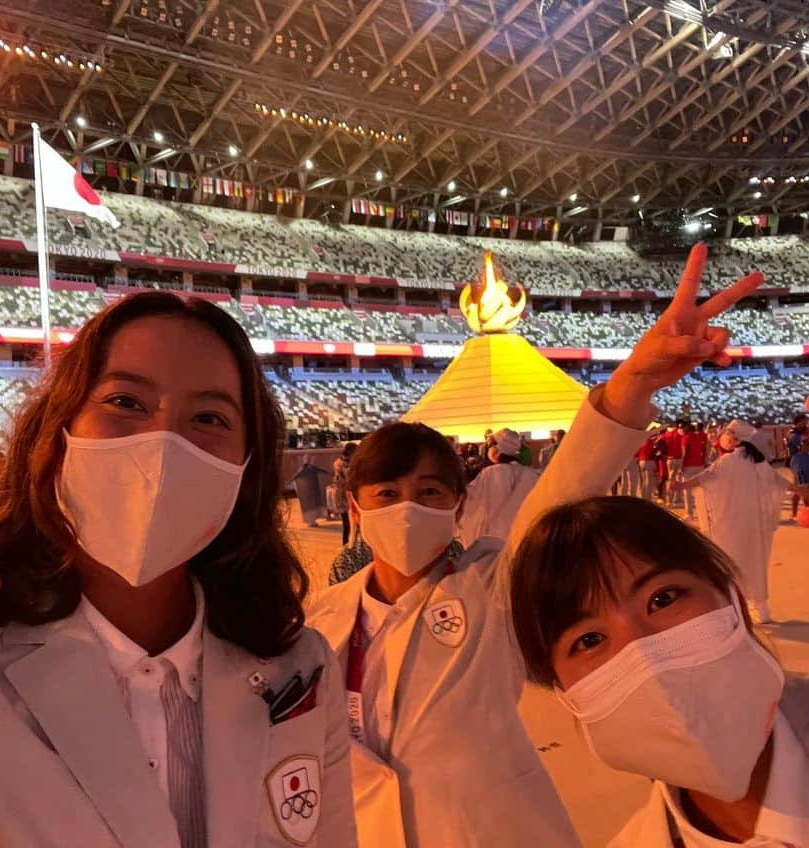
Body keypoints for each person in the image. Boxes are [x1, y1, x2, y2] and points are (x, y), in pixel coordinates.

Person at [0, 292, 356, 847]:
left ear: (246, 467)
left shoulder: (301, 667)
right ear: (58, 434)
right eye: (126, 402)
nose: (163, 443)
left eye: (209, 418)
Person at [305, 242, 764, 848]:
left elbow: (567, 487)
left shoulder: (492, 582)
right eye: (387, 494)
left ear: (459, 503)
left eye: (430, 491)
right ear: (357, 507)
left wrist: (632, 382)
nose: (408, 508)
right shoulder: (324, 618)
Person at [508, 393, 809, 848]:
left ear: (730, 595)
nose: (644, 650)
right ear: (563, 692)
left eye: (663, 598)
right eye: (589, 640)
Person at [674, 419, 789, 623]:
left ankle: (736, 610)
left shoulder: (728, 461)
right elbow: (776, 480)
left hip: (731, 522)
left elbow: (706, 477)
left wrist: (681, 486)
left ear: (735, 438)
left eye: (727, 433)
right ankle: (762, 610)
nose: (723, 437)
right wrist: (799, 490)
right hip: (753, 523)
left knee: (732, 562)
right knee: (755, 561)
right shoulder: (757, 460)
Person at [457, 427, 540, 546]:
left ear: (497, 450)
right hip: (524, 536)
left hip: (495, 540)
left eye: (491, 446)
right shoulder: (531, 473)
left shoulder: (490, 473)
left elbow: (470, 500)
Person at [291, 454, 332, 528]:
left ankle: (313, 521)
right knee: (309, 505)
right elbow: (296, 476)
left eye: (308, 459)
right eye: (306, 459)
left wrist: (330, 473)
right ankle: (311, 521)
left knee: (315, 504)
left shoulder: (313, 468)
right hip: (307, 491)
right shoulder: (303, 469)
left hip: (314, 489)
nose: (308, 460)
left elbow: (323, 470)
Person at [678, 421, 708, 520]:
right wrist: (703, 461)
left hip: (688, 466)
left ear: (687, 429)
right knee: (699, 490)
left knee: (687, 491)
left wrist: (681, 466)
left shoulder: (685, 438)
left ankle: (689, 514)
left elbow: (684, 453)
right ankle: (702, 513)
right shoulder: (699, 437)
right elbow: (704, 450)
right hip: (699, 465)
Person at [333, 444, 358, 545]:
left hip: (342, 494)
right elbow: (349, 480)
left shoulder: (339, 462)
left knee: (347, 524)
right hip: (346, 495)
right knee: (350, 524)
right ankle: (349, 546)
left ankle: (347, 545)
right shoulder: (346, 465)